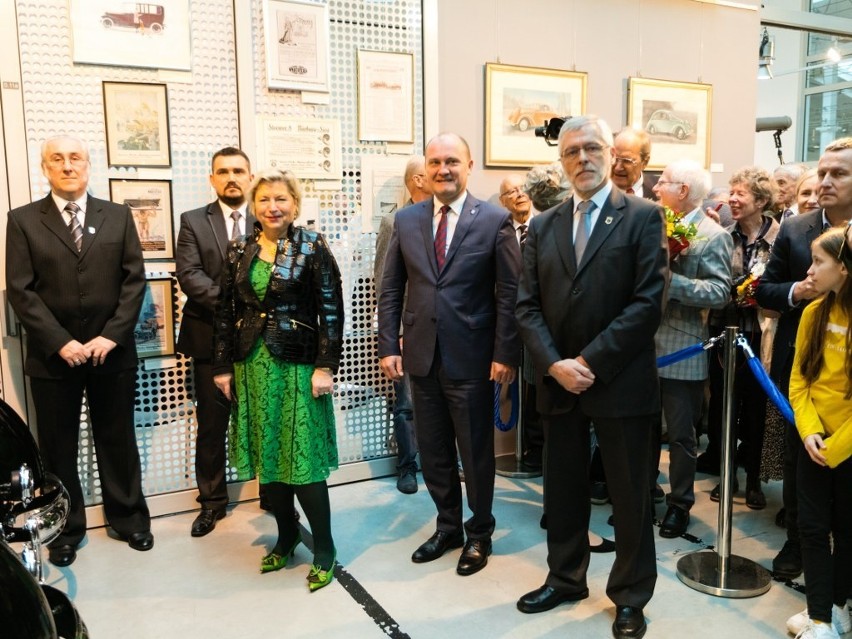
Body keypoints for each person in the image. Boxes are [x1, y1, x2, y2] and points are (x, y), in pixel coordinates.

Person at [515, 115, 667, 639]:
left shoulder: (644, 217)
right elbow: (526, 306)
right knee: (561, 490)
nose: (583, 158)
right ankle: (565, 578)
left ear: (611, 154)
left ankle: (630, 596)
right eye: (572, 151)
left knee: (629, 496)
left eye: (592, 148)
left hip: (620, 383)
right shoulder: (543, 225)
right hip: (559, 384)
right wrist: (555, 364)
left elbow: (648, 303)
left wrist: (590, 363)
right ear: (561, 163)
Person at [377, 132, 521, 577]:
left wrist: (505, 353)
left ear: (469, 164)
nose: (443, 169)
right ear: (426, 168)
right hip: (421, 356)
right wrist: (387, 344)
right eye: (436, 162)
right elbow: (391, 288)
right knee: (434, 450)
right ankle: (448, 527)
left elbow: (510, 293)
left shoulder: (495, 220)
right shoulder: (407, 220)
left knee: (475, 452)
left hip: (473, 358)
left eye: (452, 161)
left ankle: (479, 533)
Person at [6, 135, 152, 567]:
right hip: (54, 358)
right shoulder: (23, 220)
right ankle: (64, 530)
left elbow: (134, 282)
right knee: (58, 447)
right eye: (57, 159)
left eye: (75, 158)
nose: (68, 165)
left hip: (113, 353)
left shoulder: (119, 216)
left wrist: (112, 335)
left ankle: (129, 521)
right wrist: (61, 341)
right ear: (44, 167)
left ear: (89, 165)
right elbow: (21, 290)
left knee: (118, 439)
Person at [212, 169, 344, 591]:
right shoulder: (239, 249)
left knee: (302, 461)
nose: (273, 206)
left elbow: (331, 309)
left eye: (281, 199)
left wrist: (326, 365)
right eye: (265, 199)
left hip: (299, 367)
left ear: (295, 204)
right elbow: (224, 313)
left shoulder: (312, 245)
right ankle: (287, 536)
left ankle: (323, 547)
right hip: (253, 366)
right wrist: (221, 367)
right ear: (254, 205)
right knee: (269, 460)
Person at [756, 138, 852, 579]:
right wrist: (800, 291)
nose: (826, 182)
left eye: (839, 174)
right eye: (824, 172)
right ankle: (797, 542)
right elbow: (766, 289)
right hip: (805, 366)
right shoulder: (796, 229)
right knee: (800, 461)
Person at [650, 160, 732, 538]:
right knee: (643, 429)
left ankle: (680, 503)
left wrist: (669, 280)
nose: (655, 188)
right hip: (641, 346)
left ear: (683, 190)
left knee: (681, 436)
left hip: (682, 346)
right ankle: (642, 492)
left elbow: (718, 293)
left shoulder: (714, 235)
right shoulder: (652, 225)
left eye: (662, 182)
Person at [176, 146, 255, 537]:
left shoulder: (268, 217)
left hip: (260, 342)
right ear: (212, 179)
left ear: (250, 176)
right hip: (208, 337)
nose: (231, 178)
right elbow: (189, 275)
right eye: (223, 171)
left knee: (263, 420)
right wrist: (236, 306)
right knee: (211, 426)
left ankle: (273, 495)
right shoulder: (192, 221)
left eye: (238, 170)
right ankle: (211, 503)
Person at [784, 227, 852, 639]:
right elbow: (799, 382)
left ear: (843, 268)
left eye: (819, 262)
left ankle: (838, 606)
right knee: (810, 528)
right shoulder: (814, 312)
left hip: (843, 447)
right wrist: (810, 431)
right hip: (814, 441)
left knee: (846, 530)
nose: (810, 271)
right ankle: (820, 616)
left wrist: (838, 446)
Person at [706, 167, 780, 510]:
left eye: (740, 194)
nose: (731, 200)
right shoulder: (724, 234)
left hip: (762, 338)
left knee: (756, 410)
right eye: (731, 193)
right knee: (723, 408)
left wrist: (759, 295)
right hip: (724, 334)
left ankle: (752, 481)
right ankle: (727, 476)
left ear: (761, 201)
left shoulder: (781, 237)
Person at [374, 155, 431, 494]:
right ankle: (407, 466)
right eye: (429, 173)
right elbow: (385, 282)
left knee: (446, 400)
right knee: (406, 403)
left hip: (443, 330)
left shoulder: (446, 219)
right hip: (408, 330)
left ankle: (446, 460)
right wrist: (393, 336)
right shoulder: (393, 221)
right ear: (416, 181)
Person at [499, 173, 543, 469]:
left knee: (537, 387)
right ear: (503, 202)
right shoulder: (499, 231)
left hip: (541, 323)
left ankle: (537, 449)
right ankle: (523, 447)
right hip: (507, 323)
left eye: (521, 189)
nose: (518, 194)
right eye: (510, 192)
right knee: (513, 387)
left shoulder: (546, 226)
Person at [611, 127, 657, 200]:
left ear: (644, 162)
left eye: (626, 161)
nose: (618, 168)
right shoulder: (593, 191)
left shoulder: (659, 190)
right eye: (613, 158)